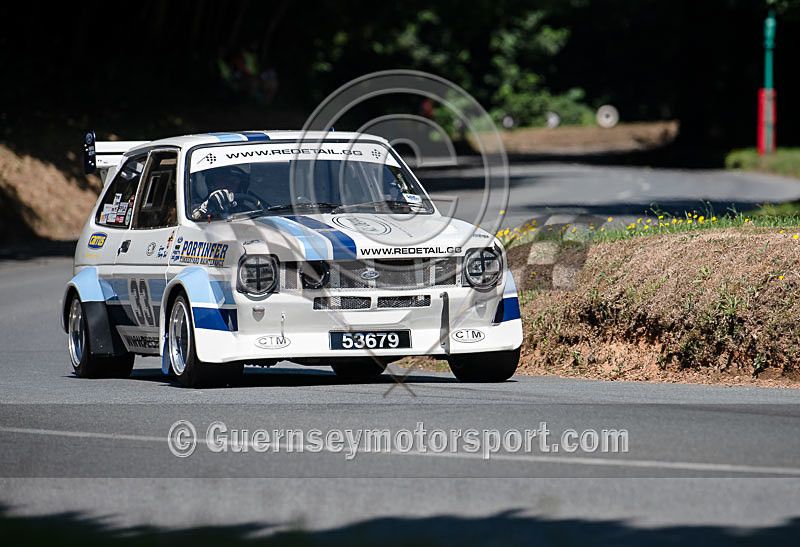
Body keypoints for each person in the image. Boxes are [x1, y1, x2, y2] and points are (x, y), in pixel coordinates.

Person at [192, 166, 258, 219]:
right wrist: (206, 209)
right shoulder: (190, 208)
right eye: (226, 179)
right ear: (209, 182)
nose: (231, 186)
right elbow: (195, 217)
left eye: (235, 181)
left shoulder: (248, 209)